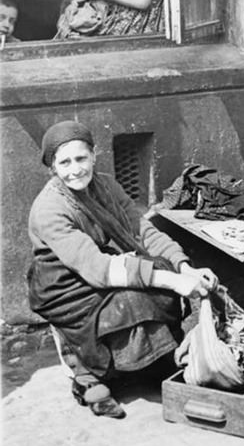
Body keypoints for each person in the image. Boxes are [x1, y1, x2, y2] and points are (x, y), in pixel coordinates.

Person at [27, 120, 219, 419]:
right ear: (52, 167)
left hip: (101, 266)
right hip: (64, 286)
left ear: (94, 155)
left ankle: (153, 365)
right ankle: (91, 381)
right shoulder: (49, 209)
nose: (75, 169)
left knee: (158, 271)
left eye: (81, 158)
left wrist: (184, 268)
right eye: (64, 162)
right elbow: (98, 269)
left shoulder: (106, 185)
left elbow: (143, 231)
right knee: (130, 301)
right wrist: (173, 281)